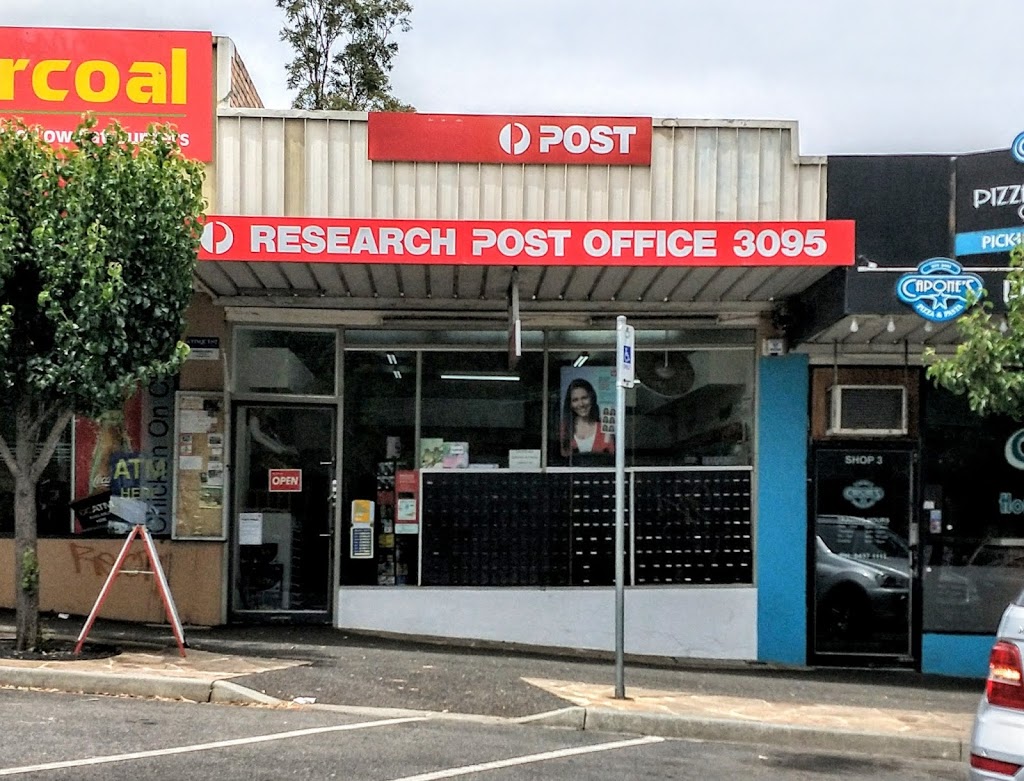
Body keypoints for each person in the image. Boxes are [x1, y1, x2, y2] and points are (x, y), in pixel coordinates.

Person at [561, 377, 614, 457]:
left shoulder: (605, 428)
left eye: (584, 398)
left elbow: (612, 458)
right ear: (570, 404)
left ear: (592, 398)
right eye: (575, 400)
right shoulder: (564, 429)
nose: (581, 404)